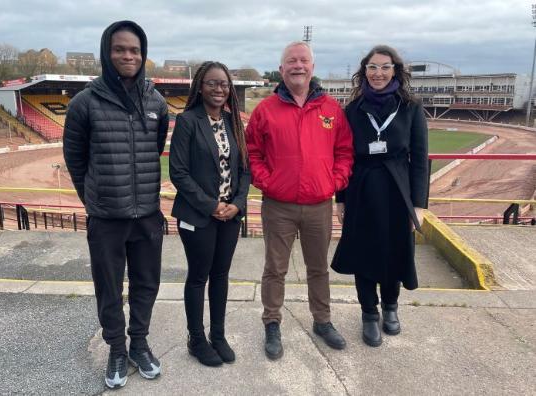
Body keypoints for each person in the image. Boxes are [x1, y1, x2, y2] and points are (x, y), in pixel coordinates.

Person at [63, 21, 169, 388]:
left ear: (143, 55)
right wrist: (95, 201)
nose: (129, 56)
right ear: (107, 52)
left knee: (147, 284)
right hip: (106, 218)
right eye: (120, 49)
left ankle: (139, 343)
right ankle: (116, 350)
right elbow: (76, 161)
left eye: (135, 50)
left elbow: (154, 149)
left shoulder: (155, 101)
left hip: (148, 216)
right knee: (109, 287)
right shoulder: (84, 104)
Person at [246, 41, 354, 360]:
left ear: (312, 68)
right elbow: (252, 152)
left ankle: (322, 321)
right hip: (278, 205)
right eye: (291, 61)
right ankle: (272, 322)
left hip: (319, 205)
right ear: (281, 69)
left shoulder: (332, 110)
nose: (298, 65)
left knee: (318, 268)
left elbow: (345, 153)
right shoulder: (265, 110)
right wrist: (268, 182)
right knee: (275, 268)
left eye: (303, 60)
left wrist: (332, 183)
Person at [331, 45, 429, 347]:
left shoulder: (411, 107)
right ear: (365, 71)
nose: (379, 73)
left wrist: (419, 205)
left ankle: (390, 307)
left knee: (394, 251)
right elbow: (344, 155)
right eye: (373, 67)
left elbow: (420, 157)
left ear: (395, 70)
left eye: (385, 67)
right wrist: (341, 198)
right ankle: (369, 313)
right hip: (361, 189)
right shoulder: (353, 109)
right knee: (364, 254)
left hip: (398, 191)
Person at [169, 61, 250, 367]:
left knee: (220, 275)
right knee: (198, 276)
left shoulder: (233, 122)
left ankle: (218, 335)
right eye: (213, 84)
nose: (219, 89)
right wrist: (211, 205)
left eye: (224, 85)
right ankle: (196, 338)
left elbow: (245, 170)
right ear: (200, 87)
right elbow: (179, 172)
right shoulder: (188, 121)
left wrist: (237, 204)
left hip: (229, 215)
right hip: (198, 215)